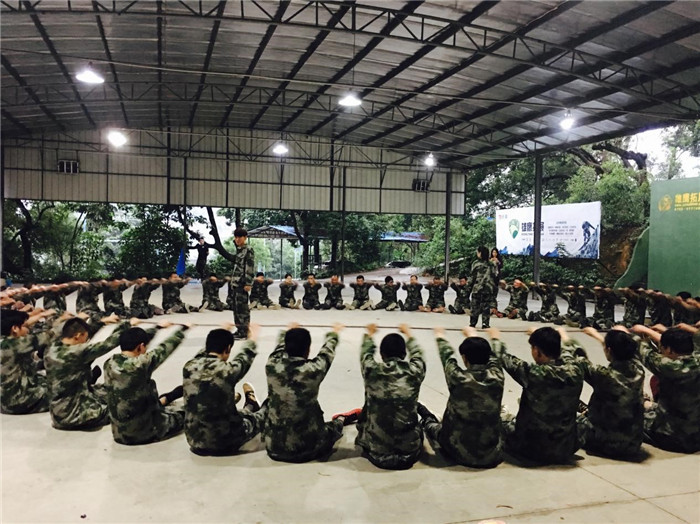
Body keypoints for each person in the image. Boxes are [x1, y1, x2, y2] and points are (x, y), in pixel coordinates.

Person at [418, 326, 504, 468]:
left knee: (432, 427)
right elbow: (495, 357)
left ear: (464, 358)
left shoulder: (457, 377)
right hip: (492, 454)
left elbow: (447, 356)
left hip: (456, 450)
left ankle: (427, 417)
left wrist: (439, 335)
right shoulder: (497, 375)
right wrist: (483, 336)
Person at [496, 326, 584, 464]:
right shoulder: (576, 370)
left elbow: (502, 356)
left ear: (536, 351)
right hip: (566, 448)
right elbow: (570, 354)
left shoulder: (533, 373)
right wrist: (557, 338)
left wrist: (495, 338)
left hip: (531, 449)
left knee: (502, 423)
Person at [263, 322, 349, 462]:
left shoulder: (272, 365)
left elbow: (278, 350)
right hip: (307, 449)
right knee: (334, 428)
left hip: (273, 447)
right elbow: (327, 352)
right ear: (308, 349)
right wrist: (334, 333)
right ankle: (341, 420)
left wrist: (286, 332)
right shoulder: (313, 370)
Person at [183, 323, 264, 456]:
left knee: (234, 412)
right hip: (225, 443)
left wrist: (220, 335)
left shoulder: (189, 366)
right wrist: (253, 338)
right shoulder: (228, 371)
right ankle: (252, 405)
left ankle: (250, 406)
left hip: (194, 440)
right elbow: (245, 356)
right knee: (263, 414)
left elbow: (201, 356)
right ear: (228, 349)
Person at [104, 322, 189, 445]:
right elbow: (165, 348)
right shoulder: (140, 364)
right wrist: (183, 329)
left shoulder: (109, 363)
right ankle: (166, 402)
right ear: (141, 346)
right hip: (144, 433)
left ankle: (165, 399)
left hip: (118, 432)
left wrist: (157, 328)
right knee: (185, 414)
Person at [355, 323, 425, 470]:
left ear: (382, 355)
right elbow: (418, 354)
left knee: (368, 406)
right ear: (404, 355)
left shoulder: (371, 370)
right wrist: (409, 334)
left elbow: (365, 353)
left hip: (377, 452)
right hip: (409, 452)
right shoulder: (415, 371)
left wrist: (369, 334)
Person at [44, 314, 129, 430]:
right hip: (74, 415)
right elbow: (108, 344)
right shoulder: (77, 353)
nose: (86, 342)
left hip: (57, 411)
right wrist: (127, 324)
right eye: (85, 339)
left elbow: (79, 331)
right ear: (77, 336)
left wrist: (102, 322)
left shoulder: (52, 347)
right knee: (125, 407)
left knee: (108, 389)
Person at [575, 326, 645, 458]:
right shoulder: (638, 370)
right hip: (633, 443)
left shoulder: (604, 375)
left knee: (567, 421)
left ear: (609, 350)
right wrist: (597, 336)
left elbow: (580, 361)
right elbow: (625, 349)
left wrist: (568, 340)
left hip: (605, 444)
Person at [631, 324, 699, 453]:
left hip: (672, 437)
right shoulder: (697, 360)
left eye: (662, 348)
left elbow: (643, 351)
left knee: (627, 415)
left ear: (670, 350)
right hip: (696, 435)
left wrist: (636, 332)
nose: (660, 352)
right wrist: (651, 333)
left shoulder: (669, 367)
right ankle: (648, 404)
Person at [0, 308, 59, 414]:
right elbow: (47, 336)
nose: (28, 330)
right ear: (15, 329)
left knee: (46, 378)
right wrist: (65, 322)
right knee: (66, 390)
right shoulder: (15, 344)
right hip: (21, 401)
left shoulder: (4, 341)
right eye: (24, 326)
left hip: (5, 399)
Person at [227, 228, 255, 339]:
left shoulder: (248, 250)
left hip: (242, 283)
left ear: (245, 238)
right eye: (236, 237)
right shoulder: (239, 249)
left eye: (240, 237)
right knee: (236, 308)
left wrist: (248, 283)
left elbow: (249, 267)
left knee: (242, 308)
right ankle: (240, 330)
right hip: (235, 283)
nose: (237, 239)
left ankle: (244, 331)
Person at [467, 246, 498, 328]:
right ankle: (485, 323)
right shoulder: (492, 264)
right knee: (486, 306)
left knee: (475, 305)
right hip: (488, 288)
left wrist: (468, 287)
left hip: (477, 287)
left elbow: (472, 277)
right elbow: (495, 275)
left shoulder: (476, 263)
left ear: (480, 253)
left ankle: (473, 322)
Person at [489, 248, 503, 313]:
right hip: (490, 277)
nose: (494, 254)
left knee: (495, 289)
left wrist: (498, 262)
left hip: (496, 276)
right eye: (493, 252)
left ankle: (494, 306)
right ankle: (490, 306)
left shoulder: (499, 259)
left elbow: (501, 266)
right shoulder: (489, 259)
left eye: (495, 252)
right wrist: (490, 261)